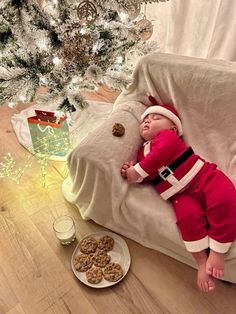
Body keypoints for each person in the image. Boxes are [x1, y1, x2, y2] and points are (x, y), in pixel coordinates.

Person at [120, 95, 236, 293]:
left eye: (157, 118)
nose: (148, 121)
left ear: (173, 128)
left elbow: (159, 156)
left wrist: (136, 172)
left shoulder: (168, 138)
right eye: (146, 120)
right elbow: (148, 175)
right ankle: (201, 261)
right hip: (181, 195)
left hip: (203, 177)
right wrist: (133, 172)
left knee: (224, 198)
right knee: (187, 219)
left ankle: (218, 251)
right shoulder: (142, 152)